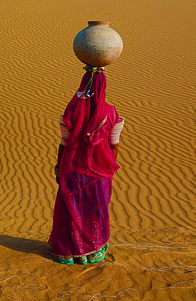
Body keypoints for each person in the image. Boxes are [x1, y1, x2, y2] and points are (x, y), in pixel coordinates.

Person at [49, 65, 124, 265]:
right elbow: (113, 146)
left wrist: (58, 168)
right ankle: (93, 251)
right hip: (99, 174)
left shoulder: (71, 112)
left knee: (72, 209)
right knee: (94, 210)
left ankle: (72, 251)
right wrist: (108, 167)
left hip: (72, 171)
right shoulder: (112, 114)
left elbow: (63, 144)